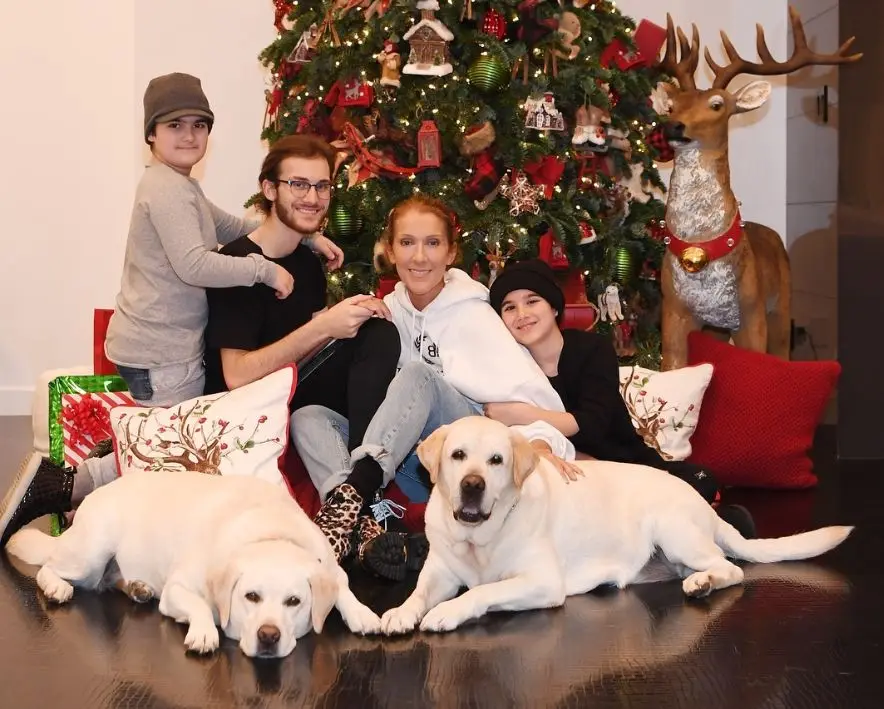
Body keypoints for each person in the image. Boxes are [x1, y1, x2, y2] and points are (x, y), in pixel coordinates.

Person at [0, 77, 343, 546]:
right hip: (162, 350)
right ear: (151, 135)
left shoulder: (182, 187)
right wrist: (265, 271)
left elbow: (235, 225)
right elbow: (194, 263)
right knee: (169, 446)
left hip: (158, 342)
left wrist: (303, 236)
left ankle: (93, 472)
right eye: (174, 125)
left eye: (199, 125)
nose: (189, 136)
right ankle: (64, 484)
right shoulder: (165, 190)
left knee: (166, 436)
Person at [292, 194, 578, 581]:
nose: (419, 257)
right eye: (407, 243)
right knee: (309, 418)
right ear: (390, 251)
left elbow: (539, 408)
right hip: (415, 465)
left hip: (471, 465)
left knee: (418, 375)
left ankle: (352, 497)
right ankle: (365, 524)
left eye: (432, 243)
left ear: (450, 252)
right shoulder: (389, 309)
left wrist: (543, 445)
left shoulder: (475, 316)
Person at [202, 134, 410, 578]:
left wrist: (340, 318)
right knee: (369, 337)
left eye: (322, 186)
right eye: (299, 184)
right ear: (270, 189)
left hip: (296, 390)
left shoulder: (306, 257)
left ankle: (354, 497)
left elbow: (299, 336)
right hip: (248, 407)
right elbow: (236, 376)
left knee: (377, 333)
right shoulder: (238, 266)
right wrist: (322, 327)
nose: (313, 198)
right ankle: (363, 502)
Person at [486, 258, 755, 537]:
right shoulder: (512, 370)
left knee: (700, 480)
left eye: (532, 301)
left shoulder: (592, 349)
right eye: (509, 307)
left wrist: (520, 414)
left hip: (630, 467)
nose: (521, 314)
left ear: (553, 307)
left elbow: (593, 423)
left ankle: (708, 525)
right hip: (572, 478)